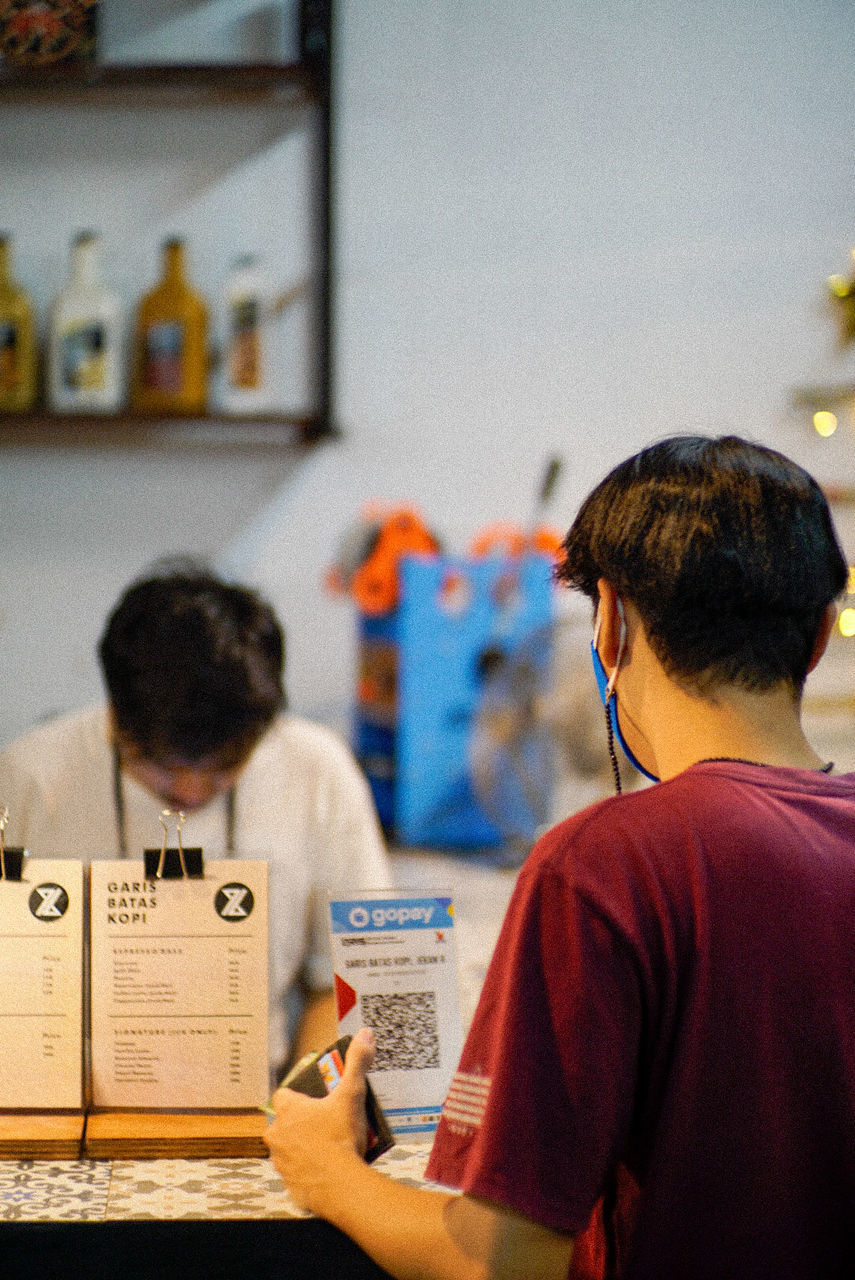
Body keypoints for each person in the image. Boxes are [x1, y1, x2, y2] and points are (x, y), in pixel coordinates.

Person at [263, 435, 855, 1280]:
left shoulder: (604, 865)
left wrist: (326, 1174)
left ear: (609, 620)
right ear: (819, 637)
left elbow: (504, 1263)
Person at [0, 560, 392, 1077]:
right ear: (115, 716)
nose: (190, 790)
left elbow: (349, 982)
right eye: (161, 767)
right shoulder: (28, 778)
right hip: (67, 1097)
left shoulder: (317, 771)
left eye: (227, 766)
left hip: (265, 1094)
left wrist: (302, 1110)